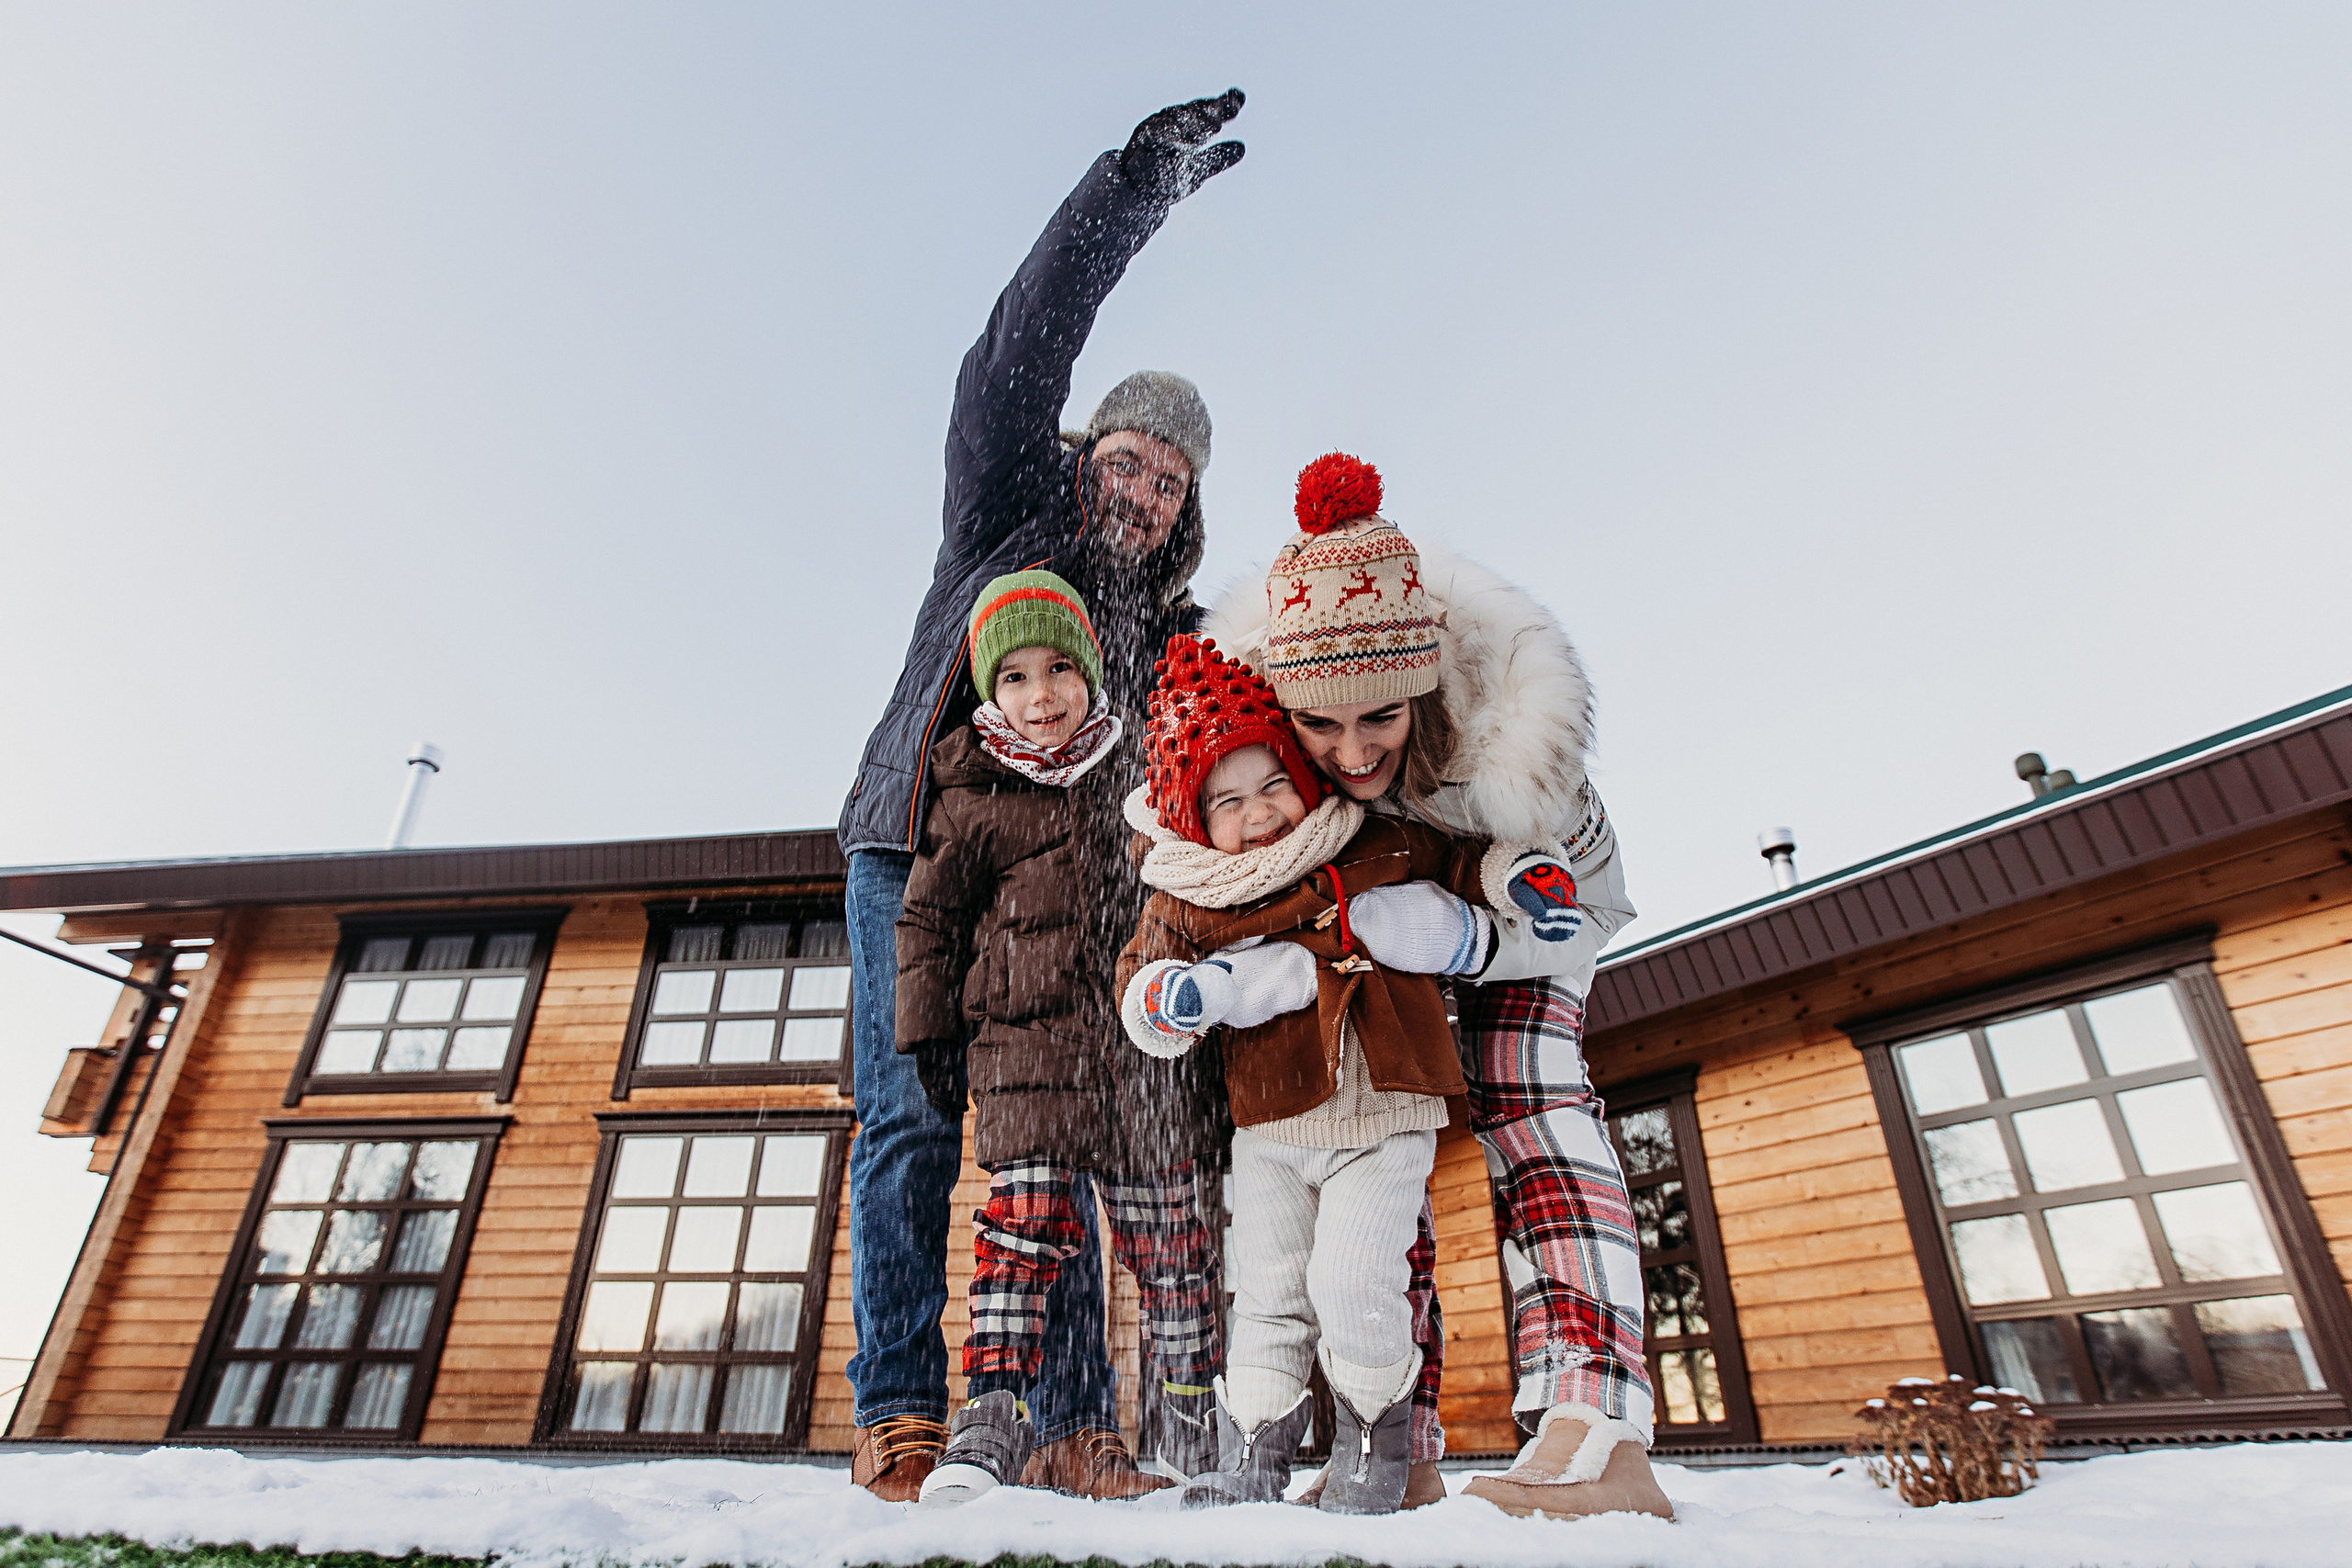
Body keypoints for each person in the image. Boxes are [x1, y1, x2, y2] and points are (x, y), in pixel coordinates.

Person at [833, 89, 1246, 1502]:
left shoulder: (1169, 621)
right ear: (1086, 456)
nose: (1140, 489)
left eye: (1169, 477)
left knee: (1054, 1131)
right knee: (907, 1125)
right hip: (913, 850)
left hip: (1068, 899)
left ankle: (1074, 1422)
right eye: (1126, 457)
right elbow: (1015, 354)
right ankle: (898, 1404)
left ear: (1187, 504)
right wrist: (1130, 193)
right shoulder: (1010, 503)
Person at [1202, 453, 1674, 1521]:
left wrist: (1471, 936)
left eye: (1379, 719)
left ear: (1419, 689)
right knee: (1374, 1124)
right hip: (1375, 936)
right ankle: (1397, 1437)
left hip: (1516, 921)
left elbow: (1586, 913)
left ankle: (1595, 1419)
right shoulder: (1275, 741)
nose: (1352, 751)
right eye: (1321, 727)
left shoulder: (1512, 742)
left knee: (1524, 1087)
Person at [1114, 621, 1577, 1516]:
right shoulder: (1193, 893)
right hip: (1270, 1123)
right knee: (1267, 1293)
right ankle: (1251, 1453)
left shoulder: (1369, 839)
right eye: (1226, 802)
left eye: (1272, 786)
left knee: (1353, 1278)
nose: (1257, 817)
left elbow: (1464, 861)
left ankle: (1373, 1446)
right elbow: (1144, 973)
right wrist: (1175, 996)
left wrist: (1523, 881)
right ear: (1190, 819)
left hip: (1386, 1110)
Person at [895, 573, 1224, 1506]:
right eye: (1014, 680)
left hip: (1135, 1056)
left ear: (1090, 673)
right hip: (1023, 1052)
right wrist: (928, 1034)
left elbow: (1186, 883)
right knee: (1022, 1235)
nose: (1040, 698)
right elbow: (929, 921)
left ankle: (1190, 1410)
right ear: (988, 693)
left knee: (1170, 1240)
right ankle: (992, 1413)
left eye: (1059, 671)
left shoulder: (1139, 771)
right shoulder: (967, 784)